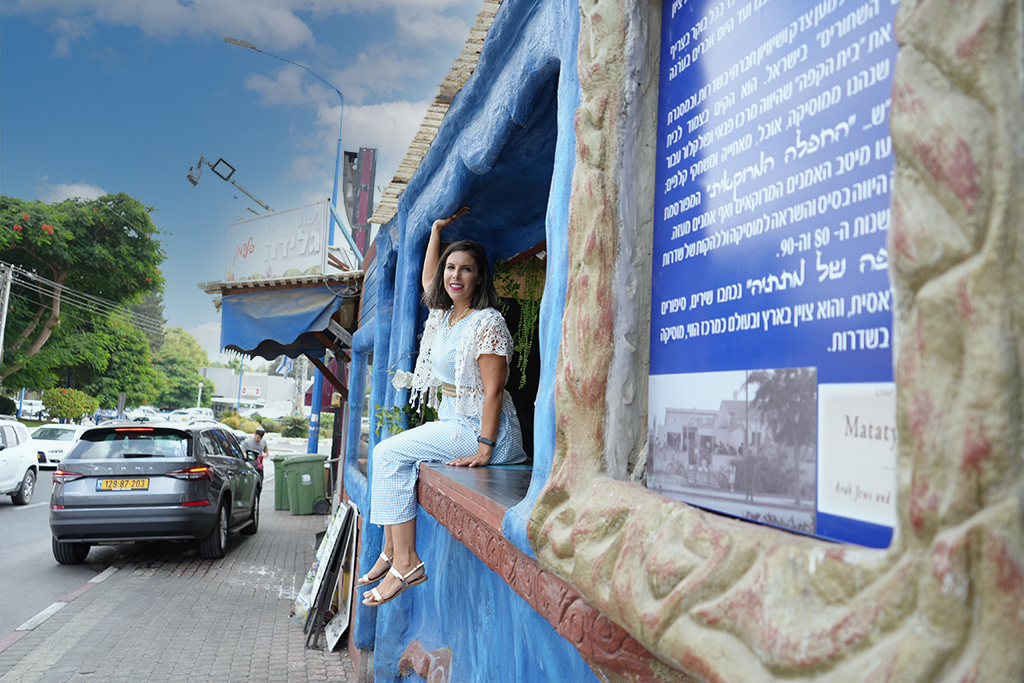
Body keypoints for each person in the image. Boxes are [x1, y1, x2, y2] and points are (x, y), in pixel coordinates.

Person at [359, 207, 527, 607]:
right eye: (451, 267)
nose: (455, 275)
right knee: (393, 456)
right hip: (454, 419)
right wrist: (435, 231)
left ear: (480, 276)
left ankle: (407, 562)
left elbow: (494, 391)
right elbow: (428, 279)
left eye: (466, 269)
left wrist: (484, 448)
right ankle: (391, 550)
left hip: (480, 430)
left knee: (387, 453)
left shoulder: (487, 322)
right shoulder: (446, 316)